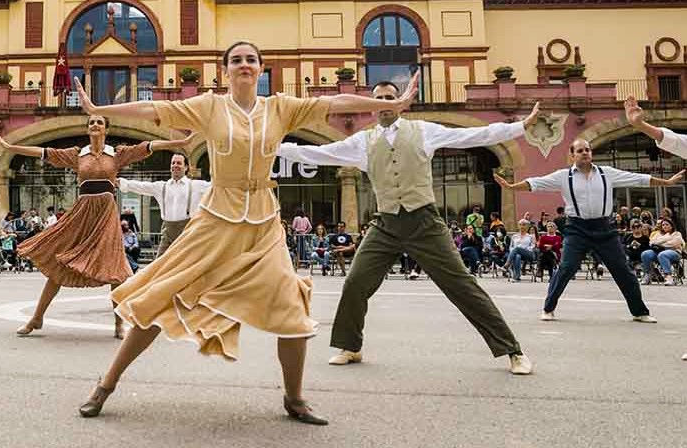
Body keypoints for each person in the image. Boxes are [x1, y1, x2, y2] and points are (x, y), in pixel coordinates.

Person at [73, 41, 419, 424]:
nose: (243, 65)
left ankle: (295, 398)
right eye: (236, 60)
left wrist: (392, 105)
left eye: (250, 59)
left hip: (264, 223)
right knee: (160, 297)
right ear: (226, 70)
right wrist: (99, 109)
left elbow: (334, 102)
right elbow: (153, 108)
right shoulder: (209, 106)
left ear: (260, 68)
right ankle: (105, 385)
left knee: (291, 308)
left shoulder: (280, 108)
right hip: (216, 220)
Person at [278, 83, 539, 375]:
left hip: (424, 222)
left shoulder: (423, 131)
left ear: (401, 103)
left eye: (390, 98)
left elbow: (472, 135)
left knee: (462, 286)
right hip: (385, 223)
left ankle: (513, 351)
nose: (384, 103)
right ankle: (350, 346)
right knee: (355, 282)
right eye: (378, 100)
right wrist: (274, 146)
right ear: (371, 107)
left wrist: (517, 129)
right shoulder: (362, 141)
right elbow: (318, 153)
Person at [0, 117, 189, 339]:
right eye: (91, 123)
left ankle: (119, 324)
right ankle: (36, 318)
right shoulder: (78, 154)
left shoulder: (116, 154)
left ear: (106, 128)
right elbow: (43, 153)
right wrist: (11, 147)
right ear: (88, 129)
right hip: (82, 214)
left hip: (106, 215)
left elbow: (148, 147)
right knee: (60, 265)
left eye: (99, 122)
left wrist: (177, 144)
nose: (95, 125)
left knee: (115, 270)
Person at [494, 136, 683, 323]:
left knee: (623, 270)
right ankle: (548, 308)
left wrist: (665, 183)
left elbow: (637, 178)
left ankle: (640, 312)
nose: (585, 153)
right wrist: (511, 187)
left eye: (587, 150)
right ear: (572, 155)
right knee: (567, 267)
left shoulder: (606, 173)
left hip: (604, 228)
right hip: (577, 229)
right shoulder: (563, 176)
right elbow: (535, 183)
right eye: (580, 150)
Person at [118, 153, 210, 257]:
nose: (175, 165)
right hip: (167, 233)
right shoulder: (162, 186)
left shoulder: (196, 185)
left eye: (179, 163)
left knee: (188, 265)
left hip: (187, 232)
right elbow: (141, 186)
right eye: (173, 163)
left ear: (186, 167)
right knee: (158, 265)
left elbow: (217, 187)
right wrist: (121, 182)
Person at [641, 218, 683, 285]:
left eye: (667, 224)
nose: (665, 226)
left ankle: (668, 277)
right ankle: (648, 274)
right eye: (663, 225)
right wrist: (666, 241)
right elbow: (651, 242)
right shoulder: (658, 234)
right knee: (645, 254)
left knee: (662, 254)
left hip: (674, 252)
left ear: (671, 226)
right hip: (658, 252)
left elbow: (674, 243)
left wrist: (660, 243)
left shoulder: (676, 234)